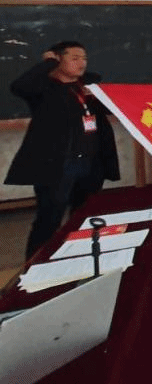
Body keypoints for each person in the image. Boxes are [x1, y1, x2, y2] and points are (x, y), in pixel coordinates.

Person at [5, 42, 121, 259]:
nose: (82, 63)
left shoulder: (89, 87)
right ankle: (37, 264)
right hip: (57, 166)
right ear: (58, 59)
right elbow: (19, 87)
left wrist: (97, 95)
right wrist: (48, 63)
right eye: (75, 58)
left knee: (83, 215)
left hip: (90, 164)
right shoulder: (43, 88)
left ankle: (77, 258)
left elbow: (113, 107)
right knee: (49, 219)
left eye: (84, 58)